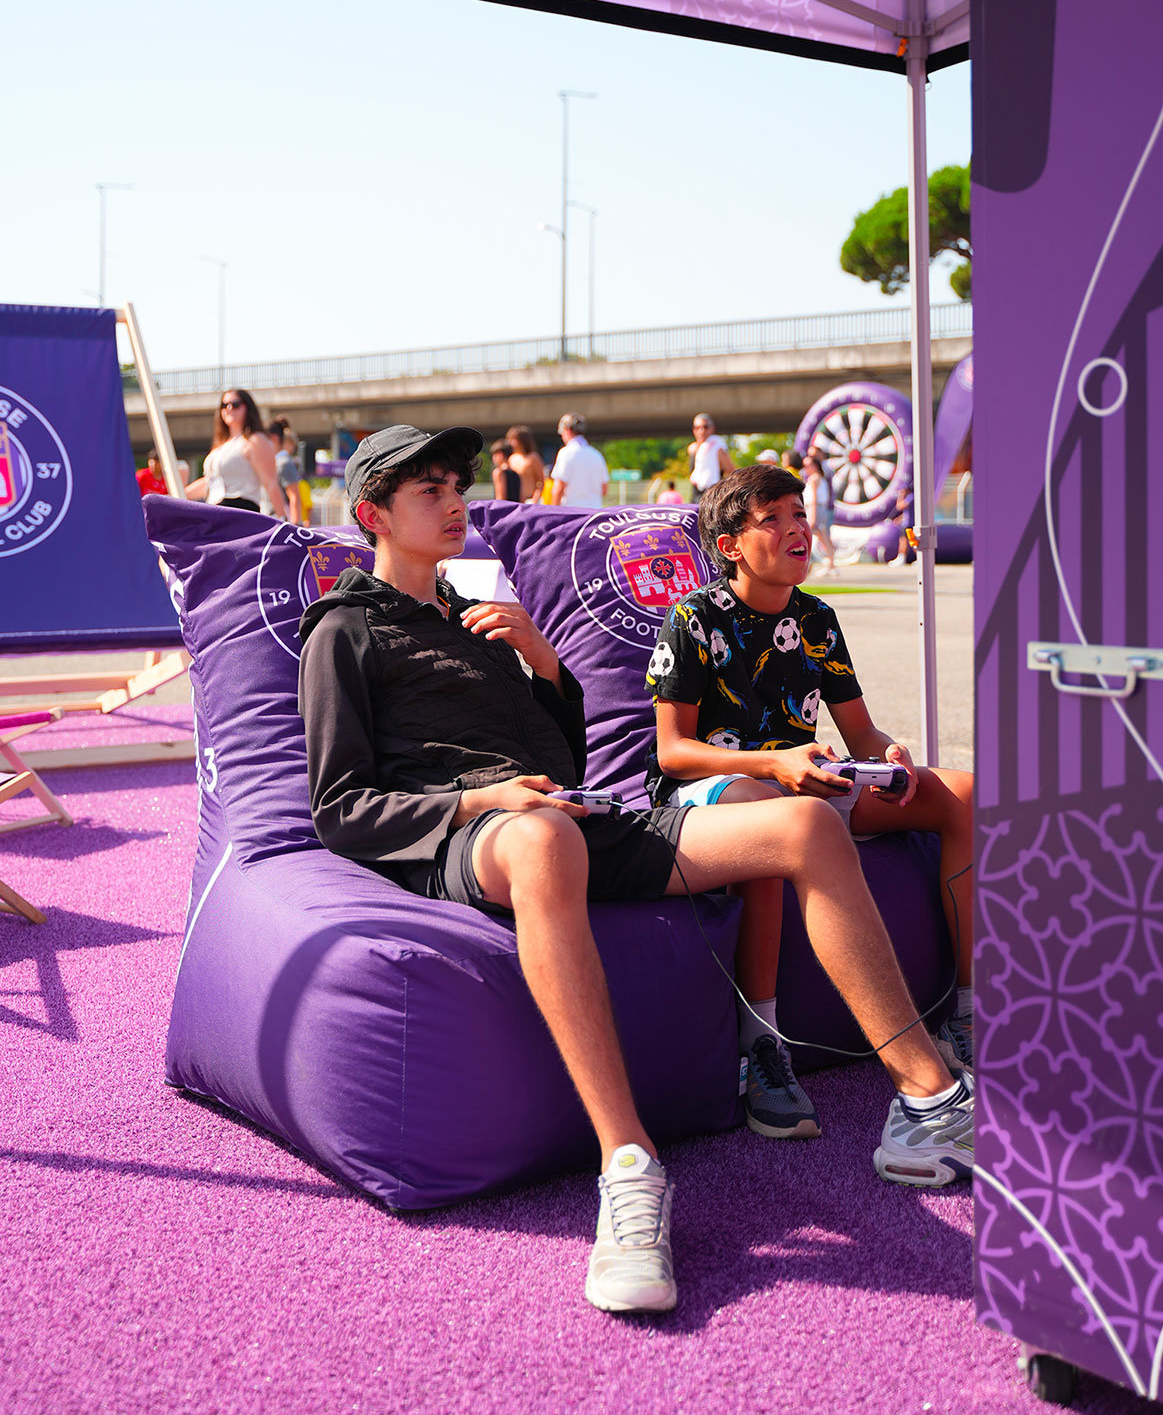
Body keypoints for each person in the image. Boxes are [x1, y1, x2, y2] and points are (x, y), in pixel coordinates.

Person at [298, 423, 974, 1318]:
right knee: (543, 838)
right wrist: (481, 801)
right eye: (430, 492)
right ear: (373, 515)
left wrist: (541, 662)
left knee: (805, 824)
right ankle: (629, 1169)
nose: (455, 501)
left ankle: (928, 1100)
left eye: (456, 485)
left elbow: (559, 759)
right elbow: (341, 806)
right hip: (474, 830)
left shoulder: (480, 622)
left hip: (568, 813)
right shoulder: (342, 631)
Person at [645, 462, 974, 1142]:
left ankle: (967, 1012)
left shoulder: (816, 618)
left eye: (798, 512)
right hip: (720, 788)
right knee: (774, 815)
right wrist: (773, 763)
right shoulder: (692, 617)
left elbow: (860, 733)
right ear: (731, 545)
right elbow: (672, 753)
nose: (796, 527)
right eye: (772, 518)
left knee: (966, 793)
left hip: (809, 780)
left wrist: (889, 755)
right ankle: (761, 1047)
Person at [185, 389, 287, 517]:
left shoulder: (255, 440)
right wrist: (173, 496)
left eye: (235, 405)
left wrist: (282, 519)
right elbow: (208, 482)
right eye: (224, 405)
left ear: (247, 408)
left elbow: (270, 483)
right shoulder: (220, 446)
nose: (229, 408)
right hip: (214, 511)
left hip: (241, 512)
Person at [549, 413, 608, 508]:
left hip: (572, 511)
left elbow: (559, 488)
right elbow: (604, 490)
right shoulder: (597, 454)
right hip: (594, 511)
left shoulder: (566, 453)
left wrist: (553, 511)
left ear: (567, 430)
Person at [802, 447, 836, 574]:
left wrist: (813, 515)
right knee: (823, 536)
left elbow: (814, 499)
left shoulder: (815, 479)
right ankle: (830, 563)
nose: (806, 469)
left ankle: (814, 562)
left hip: (815, 508)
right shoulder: (819, 477)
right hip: (818, 508)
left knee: (816, 535)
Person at [266, 418, 304, 524]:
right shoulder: (276, 462)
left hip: (282, 524)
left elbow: (294, 497)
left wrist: (295, 527)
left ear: (273, 439)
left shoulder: (284, 463)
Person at [688, 414, 733, 500]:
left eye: (705, 427)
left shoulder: (717, 448)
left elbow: (731, 471)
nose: (701, 431)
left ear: (712, 428)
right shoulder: (692, 448)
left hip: (712, 496)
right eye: (697, 427)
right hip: (695, 497)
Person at [504, 425, 546, 503]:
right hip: (516, 501)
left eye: (513, 439)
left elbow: (541, 482)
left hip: (530, 500)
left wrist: (535, 500)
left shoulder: (533, 457)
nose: (510, 442)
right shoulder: (511, 458)